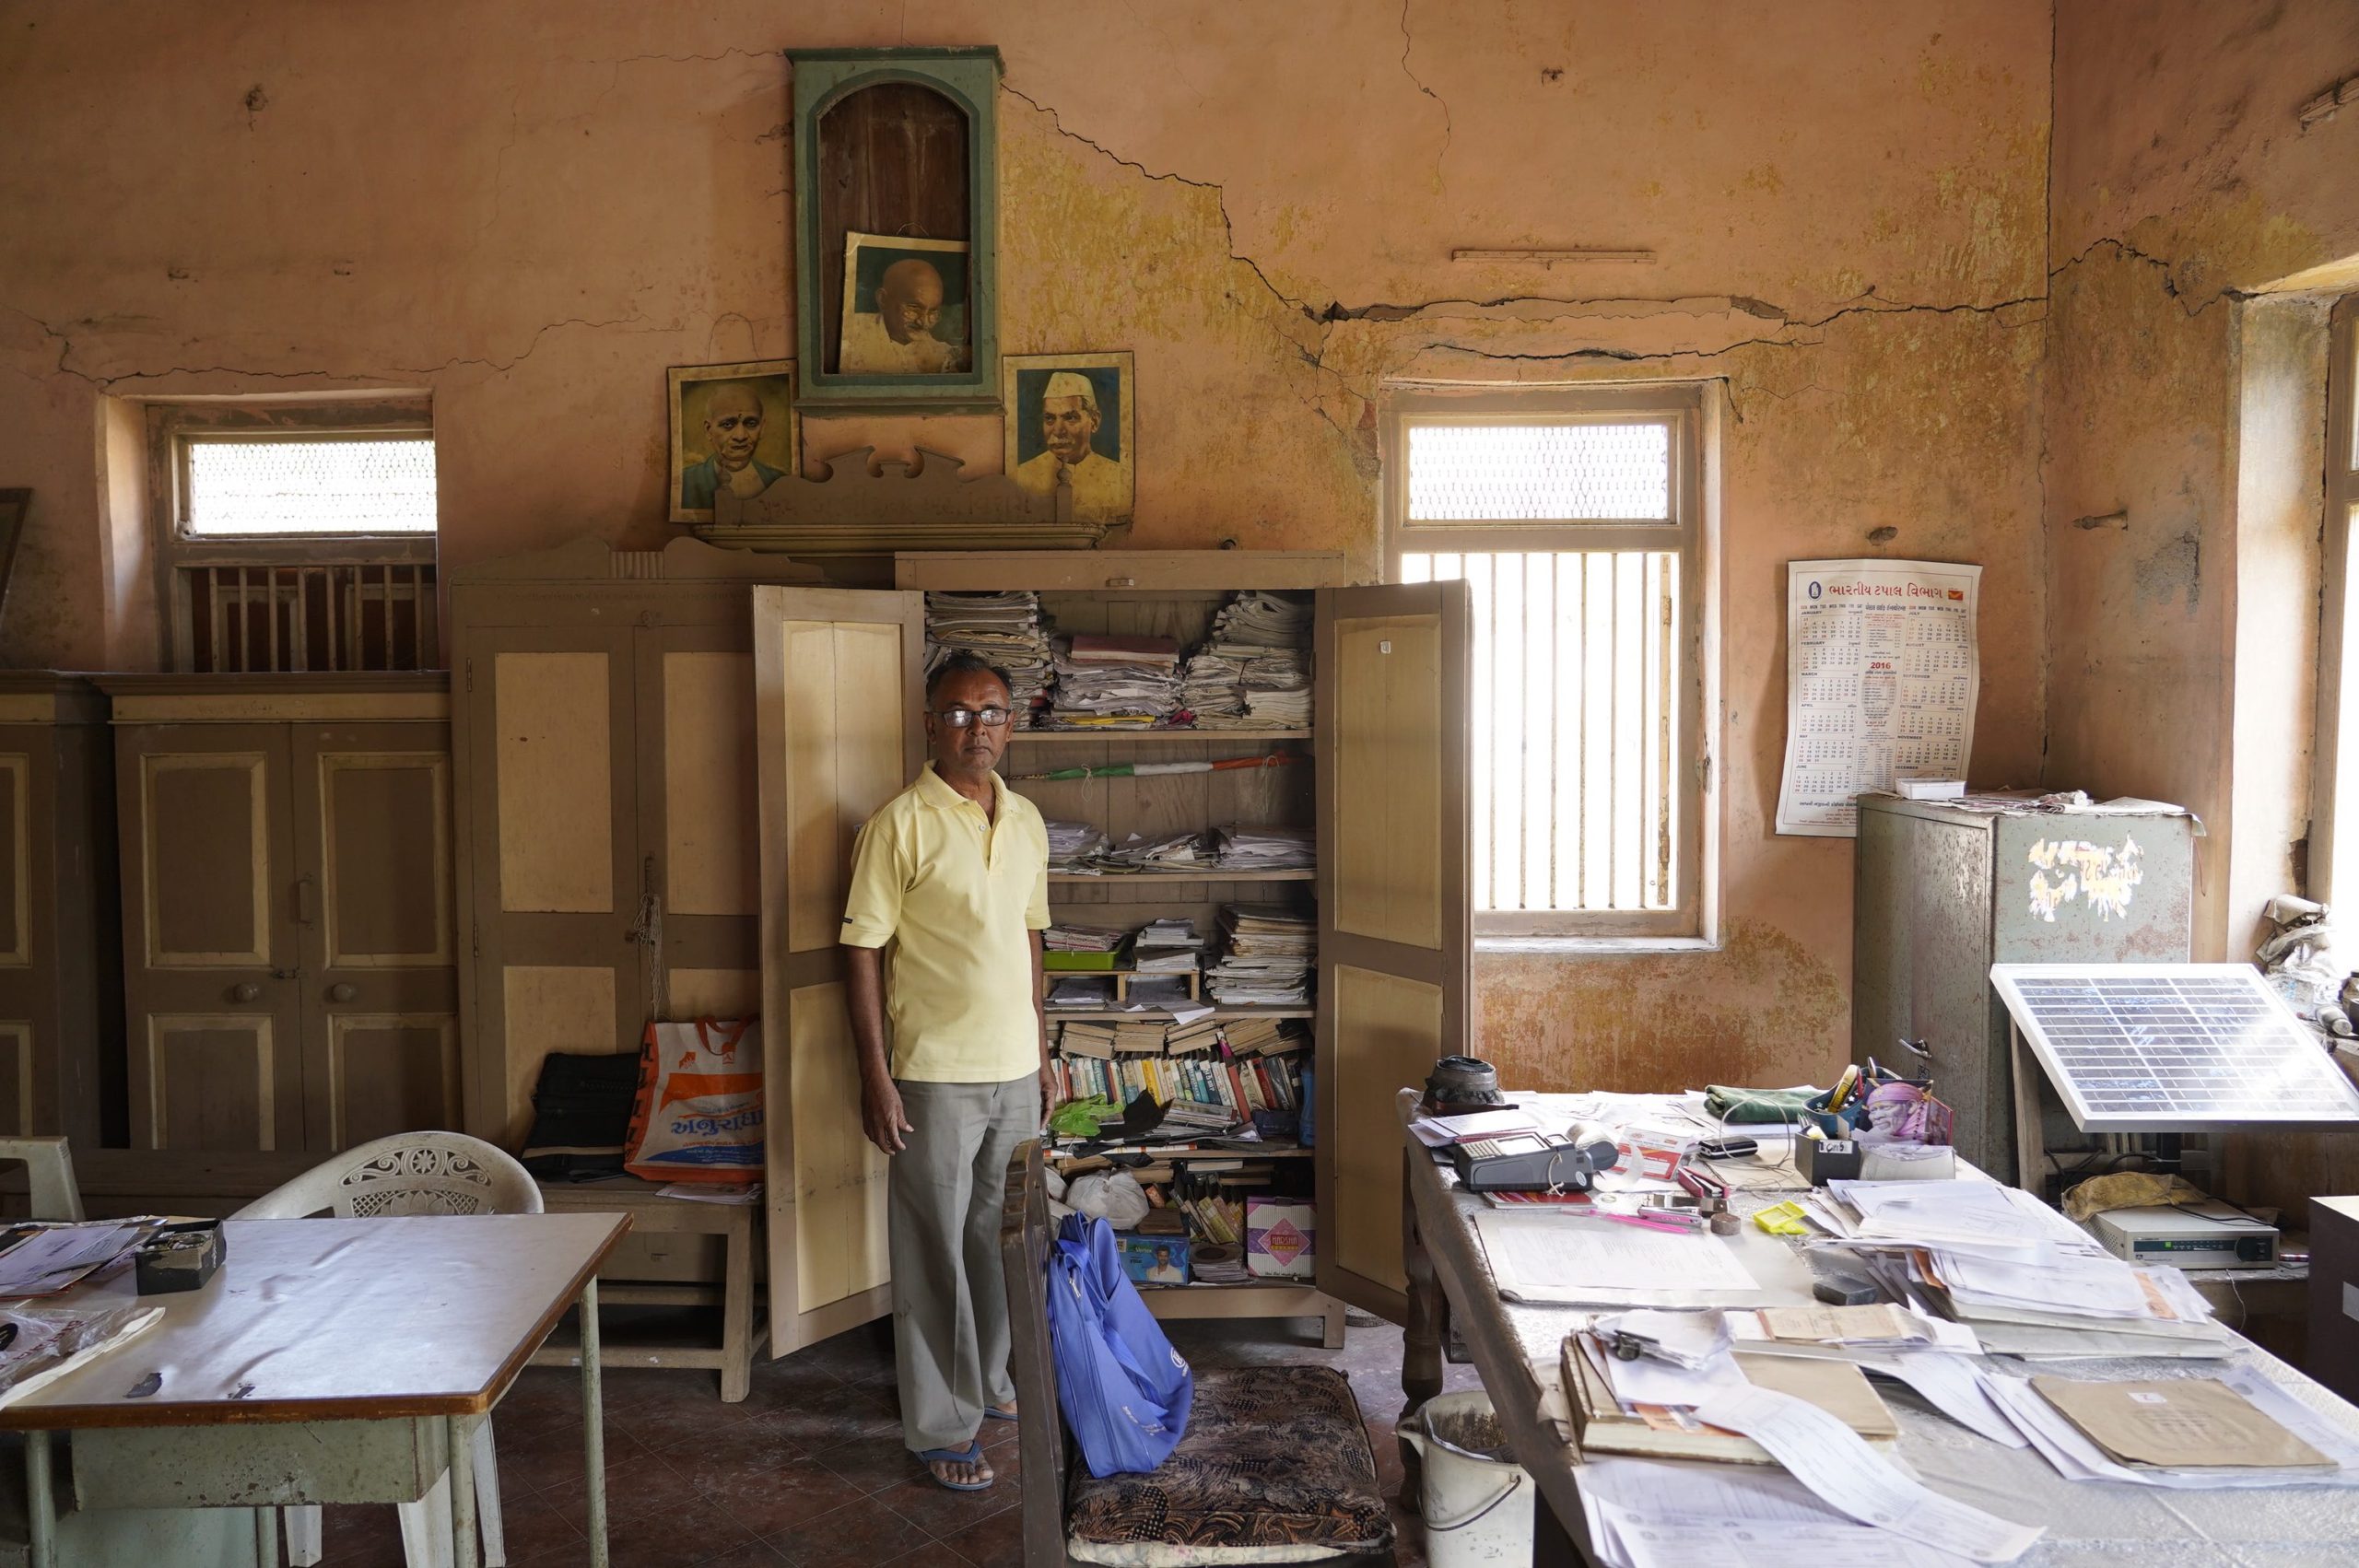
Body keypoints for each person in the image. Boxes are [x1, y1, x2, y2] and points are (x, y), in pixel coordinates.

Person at [840, 652, 1052, 1492]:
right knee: (934, 1250)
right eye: (959, 714)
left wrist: (1041, 1051)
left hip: (1014, 1075)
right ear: (930, 724)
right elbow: (860, 951)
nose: (978, 729)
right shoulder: (899, 825)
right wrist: (876, 1077)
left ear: (1011, 721)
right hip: (931, 1074)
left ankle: (990, 1382)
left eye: (992, 712)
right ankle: (938, 1427)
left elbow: (1031, 939)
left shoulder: (1027, 820)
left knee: (1003, 1242)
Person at [1013, 370, 1133, 521]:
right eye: (1049, 419)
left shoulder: (1119, 477)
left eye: (1070, 418)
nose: (1058, 431)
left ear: (1094, 421)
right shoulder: (1022, 476)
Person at [839, 255, 968, 373]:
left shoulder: (943, 357)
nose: (923, 323)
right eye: (914, 308)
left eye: (933, 312)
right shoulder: (849, 335)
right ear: (882, 299)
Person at [678, 382, 786, 509]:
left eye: (751, 423)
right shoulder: (685, 483)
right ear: (709, 430)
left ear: (762, 428)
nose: (740, 436)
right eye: (728, 425)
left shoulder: (780, 482)